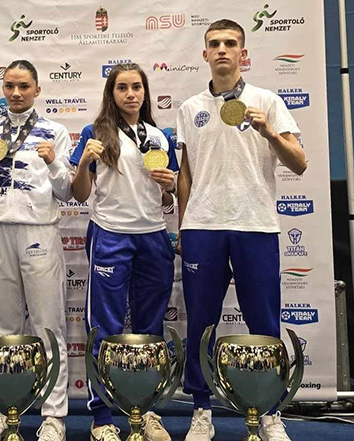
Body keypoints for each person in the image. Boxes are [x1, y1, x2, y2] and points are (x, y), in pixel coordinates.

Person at [176, 19, 307, 441]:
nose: (222, 50)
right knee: (201, 323)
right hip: (203, 227)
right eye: (214, 43)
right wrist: (183, 226)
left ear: (242, 53)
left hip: (255, 224)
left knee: (263, 321)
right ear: (205, 53)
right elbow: (184, 174)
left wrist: (269, 131)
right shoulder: (189, 107)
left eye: (230, 43)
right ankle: (201, 410)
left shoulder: (267, 100)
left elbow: (300, 163)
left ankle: (269, 411)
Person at [70, 63, 176, 441]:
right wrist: (84, 162)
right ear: (111, 94)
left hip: (153, 236)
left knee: (150, 329)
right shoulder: (95, 134)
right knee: (105, 327)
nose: (131, 94)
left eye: (136, 87)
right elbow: (79, 194)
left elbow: (167, 199)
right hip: (111, 235)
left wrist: (168, 187)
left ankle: (144, 410)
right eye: (122, 88)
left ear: (145, 92)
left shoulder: (160, 137)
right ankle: (101, 416)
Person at [0, 60, 71, 441]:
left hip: (38, 230)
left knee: (48, 326)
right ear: (3, 89)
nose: (16, 93)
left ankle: (54, 415)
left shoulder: (55, 132)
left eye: (24, 86)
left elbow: (67, 191)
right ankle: (3, 407)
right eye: (10, 86)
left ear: (37, 90)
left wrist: (54, 162)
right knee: (2, 327)